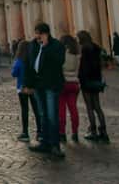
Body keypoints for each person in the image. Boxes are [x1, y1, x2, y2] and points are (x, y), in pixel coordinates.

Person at [24, 22, 65, 158]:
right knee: (42, 114)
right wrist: (27, 84)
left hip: (51, 85)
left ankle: (55, 145)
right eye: (36, 34)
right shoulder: (33, 45)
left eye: (39, 34)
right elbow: (29, 64)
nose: (36, 37)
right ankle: (45, 142)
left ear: (45, 34)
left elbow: (58, 62)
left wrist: (46, 47)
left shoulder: (56, 46)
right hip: (37, 85)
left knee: (53, 115)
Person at [76, 30, 108, 142]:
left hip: (87, 80)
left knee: (89, 107)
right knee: (98, 107)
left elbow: (83, 67)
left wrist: (80, 77)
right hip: (96, 79)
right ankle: (104, 131)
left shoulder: (84, 49)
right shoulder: (96, 47)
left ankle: (93, 131)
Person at [11, 39, 41, 142]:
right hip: (33, 87)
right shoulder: (33, 60)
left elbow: (14, 73)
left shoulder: (19, 61)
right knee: (37, 110)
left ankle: (25, 132)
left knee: (25, 110)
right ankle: (40, 132)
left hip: (22, 88)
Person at [58, 34, 80, 143]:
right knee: (73, 109)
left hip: (63, 83)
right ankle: (75, 133)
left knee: (61, 109)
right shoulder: (76, 53)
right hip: (74, 83)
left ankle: (62, 133)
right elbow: (78, 69)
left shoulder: (61, 53)